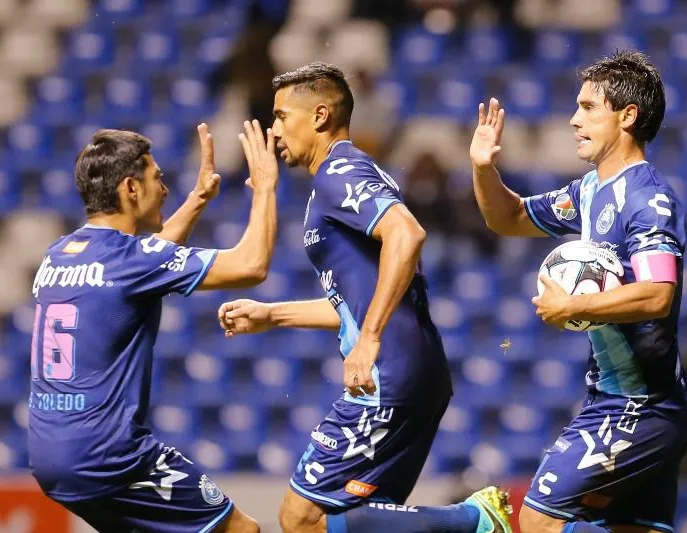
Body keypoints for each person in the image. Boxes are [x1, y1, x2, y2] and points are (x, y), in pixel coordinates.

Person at [218, 62, 512, 533]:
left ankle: (472, 521)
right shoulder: (336, 179)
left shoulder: (340, 169)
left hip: (388, 375)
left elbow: (407, 233)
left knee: (302, 516)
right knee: (350, 522)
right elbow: (357, 303)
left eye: (280, 116)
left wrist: (369, 339)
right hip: (411, 370)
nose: (274, 130)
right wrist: (271, 314)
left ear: (318, 116)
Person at [469, 50, 687, 533]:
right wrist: (484, 169)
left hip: (639, 405)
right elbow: (506, 218)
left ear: (627, 116)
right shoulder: (589, 190)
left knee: (535, 522)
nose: (574, 120)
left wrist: (575, 306)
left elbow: (659, 294)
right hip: (622, 399)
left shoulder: (648, 199)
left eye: (588, 107)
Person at [28, 121, 278, 533]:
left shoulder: (59, 255)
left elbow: (149, 258)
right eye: (157, 179)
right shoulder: (132, 260)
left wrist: (199, 198)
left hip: (51, 457)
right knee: (241, 530)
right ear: (131, 188)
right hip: (110, 456)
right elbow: (252, 265)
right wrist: (266, 187)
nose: (164, 189)